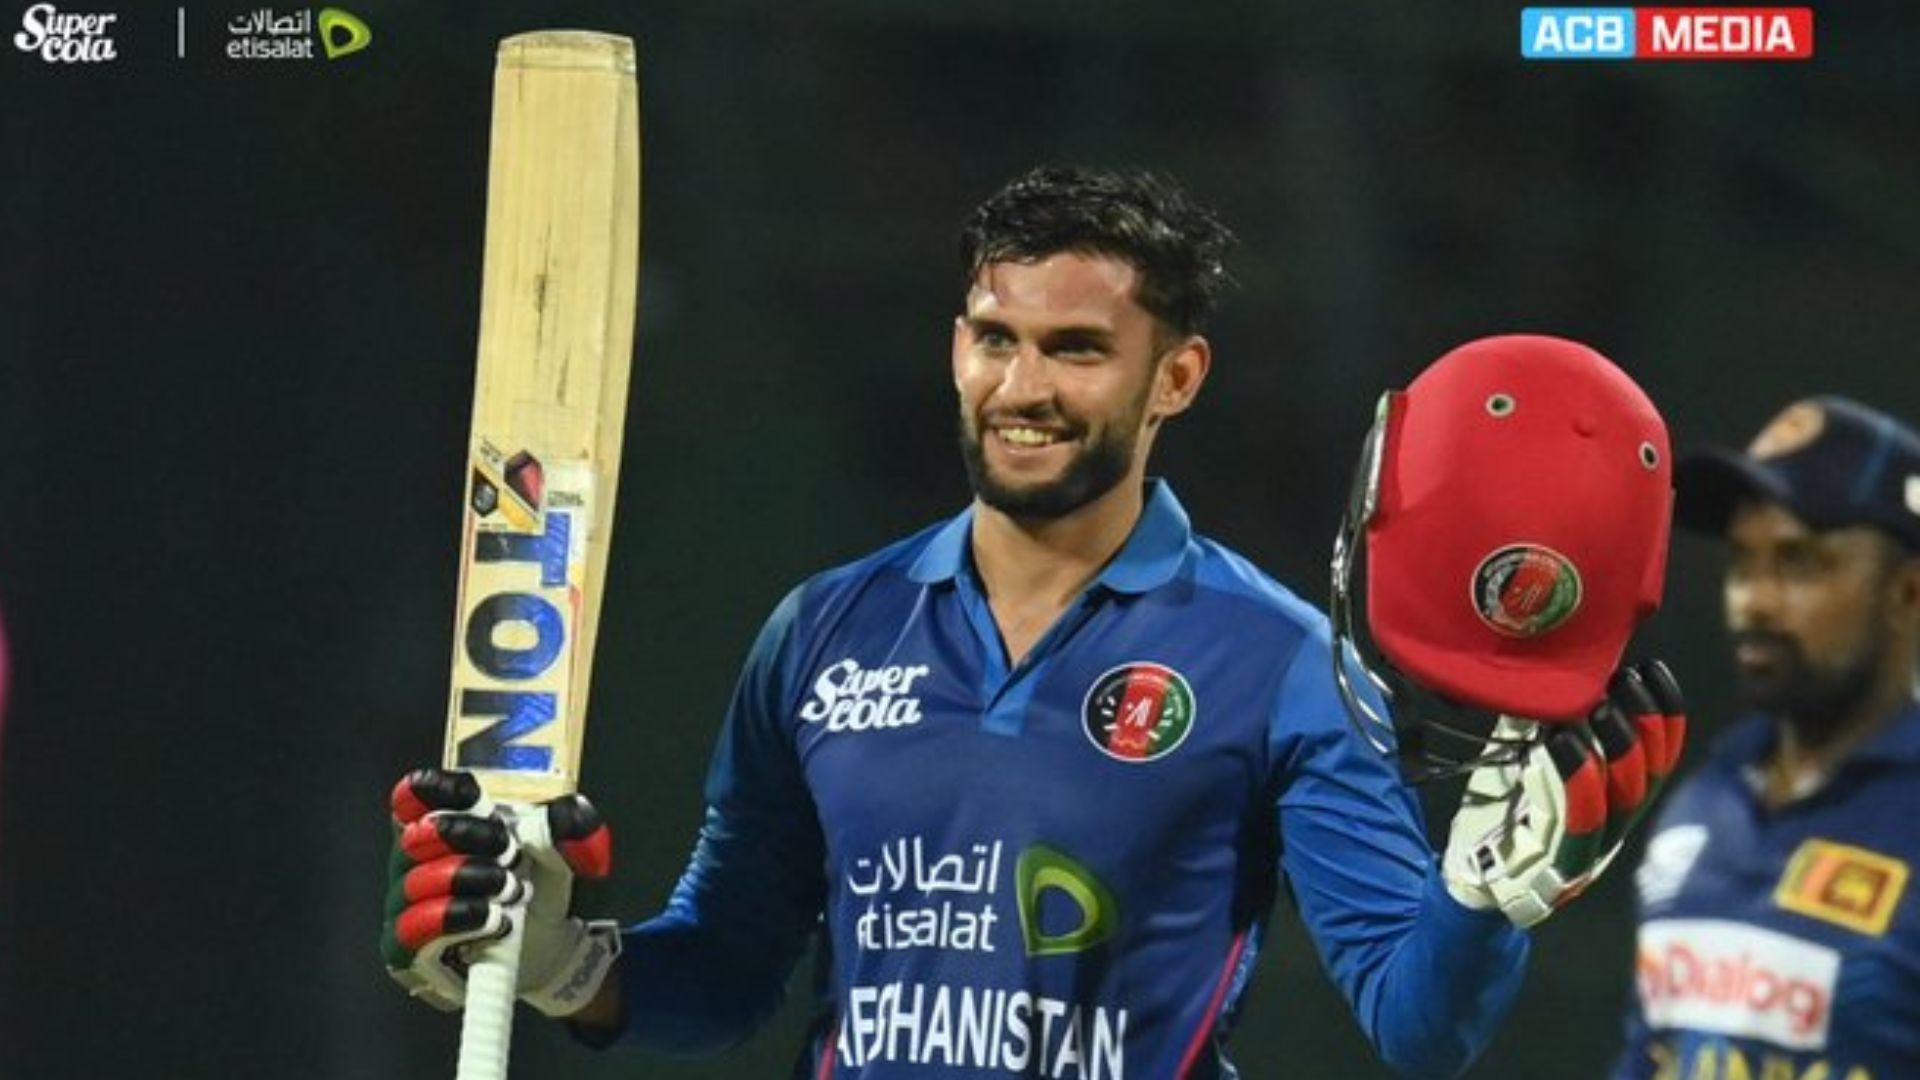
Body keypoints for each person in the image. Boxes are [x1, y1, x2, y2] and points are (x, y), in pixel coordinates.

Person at [383, 167, 1676, 1079]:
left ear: (1177, 375)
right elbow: (726, 975)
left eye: (1075, 349)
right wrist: (562, 961)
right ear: (954, 344)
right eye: (994, 338)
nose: (1022, 386)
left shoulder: (1282, 661)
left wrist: (1486, 900)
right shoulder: (824, 629)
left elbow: (1418, 1023)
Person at [1616, 396, 1920, 1080]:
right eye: (1742, 561)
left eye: (1800, 561)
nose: (1752, 598)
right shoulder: (1702, 806)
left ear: (1907, 593)